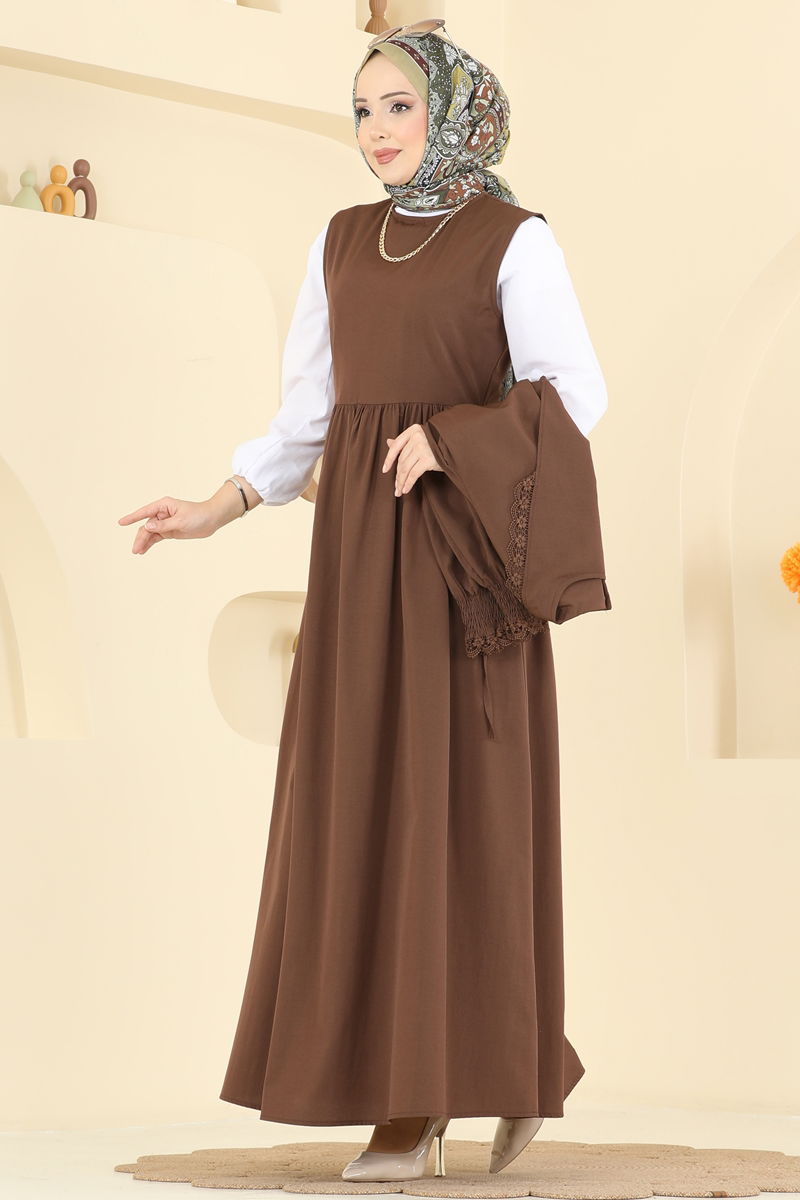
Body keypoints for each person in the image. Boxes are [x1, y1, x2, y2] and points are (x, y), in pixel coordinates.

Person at [117, 19, 610, 1185]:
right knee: (363, 812)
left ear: (454, 113)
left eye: (399, 106)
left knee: (463, 820)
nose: (376, 131)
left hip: (461, 566)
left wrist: (450, 440)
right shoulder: (340, 242)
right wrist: (214, 506)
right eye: (361, 110)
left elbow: (573, 395)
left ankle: (424, 1099)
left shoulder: (513, 240)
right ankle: (496, 1070)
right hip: (356, 563)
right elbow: (306, 420)